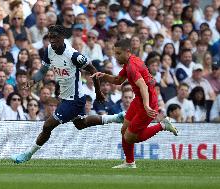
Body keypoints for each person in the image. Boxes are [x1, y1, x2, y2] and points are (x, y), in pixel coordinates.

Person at [11, 25, 105, 164]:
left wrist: (98, 91)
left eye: (55, 38)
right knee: (80, 124)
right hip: (66, 97)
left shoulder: (73, 55)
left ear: (63, 38)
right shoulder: (49, 50)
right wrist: (32, 81)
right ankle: (117, 118)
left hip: (75, 99)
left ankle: (27, 155)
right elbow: (43, 71)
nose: (52, 41)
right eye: (50, 38)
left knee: (48, 125)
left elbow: (92, 70)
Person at [91, 39, 178, 168]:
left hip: (147, 101)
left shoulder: (132, 66)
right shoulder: (130, 62)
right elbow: (118, 80)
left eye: (119, 53)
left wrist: (147, 106)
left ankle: (162, 125)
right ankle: (130, 162)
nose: (116, 56)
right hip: (139, 99)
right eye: (115, 53)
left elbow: (142, 85)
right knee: (124, 130)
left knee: (130, 137)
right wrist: (103, 75)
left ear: (127, 52)